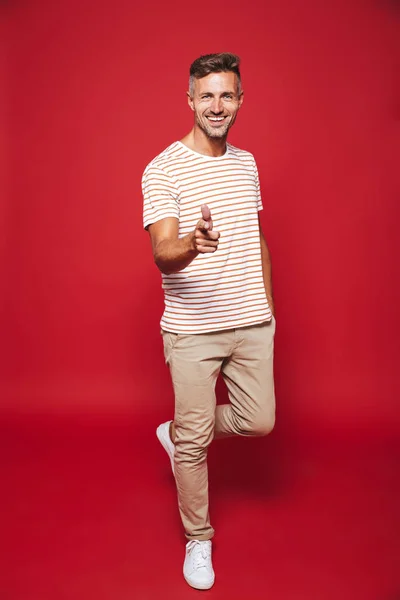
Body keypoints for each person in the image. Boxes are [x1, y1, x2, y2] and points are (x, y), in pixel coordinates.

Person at [142, 52, 276, 590]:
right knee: (196, 446)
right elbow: (162, 251)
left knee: (259, 420)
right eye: (207, 95)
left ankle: (176, 432)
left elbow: (257, 236)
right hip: (193, 329)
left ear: (240, 101)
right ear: (190, 100)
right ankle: (200, 538)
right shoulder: (163, 168)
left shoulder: (246, 164)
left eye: (227, 95)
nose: (217, 106)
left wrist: (268, 305)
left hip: (251, 323)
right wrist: (193, 246)